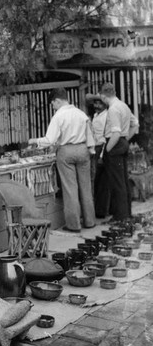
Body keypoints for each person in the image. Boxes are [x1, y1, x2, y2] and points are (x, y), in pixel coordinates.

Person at [28, 87, 96, 233]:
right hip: (83, 150)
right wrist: (90, 150)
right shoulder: (81, 113)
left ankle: (74, 225)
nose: (53, 107)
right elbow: (90, 134)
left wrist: (34, 140)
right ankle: (90, 221)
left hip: (66, 151)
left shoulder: (58, 116)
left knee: (70, 189)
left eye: (53, 104)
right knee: (86, 187)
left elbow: (50, 140)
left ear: (57, 101)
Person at [98, 82, 139, 221]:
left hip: (114, 143)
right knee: (123, 180)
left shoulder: (113, 109)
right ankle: (126, 213)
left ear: (103, 96)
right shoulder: (123, 106)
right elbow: (136, 123)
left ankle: (120, 216)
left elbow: (115, 133)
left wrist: (107, 150)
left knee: (116, 182)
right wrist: (125, 139)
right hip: (122, 143)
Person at [86, 94, 110, 218]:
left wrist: (101, 155)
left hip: (102, 147)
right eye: (95, 103)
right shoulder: (95, 116)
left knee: (102, 182)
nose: (97, 106)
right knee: (95, 180)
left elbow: (106, 138)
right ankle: (97, 209)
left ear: (105, 104)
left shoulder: (106, 116)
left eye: (99, 103)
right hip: (95, 147)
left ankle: (102, 211)